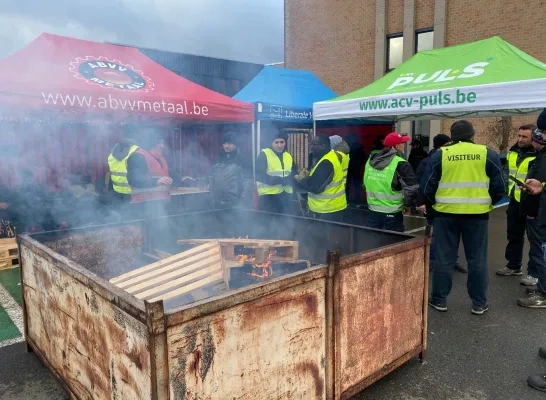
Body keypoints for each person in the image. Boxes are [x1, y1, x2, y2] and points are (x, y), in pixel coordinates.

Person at [423, 120, 505, 315]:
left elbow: (427, 188)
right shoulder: (488, 154)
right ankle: (479, 303)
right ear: (472, 135)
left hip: (445, 214)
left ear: (452, 136)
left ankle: (439, 299)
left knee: (444, 258)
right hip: (477, 215)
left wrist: (433, 207)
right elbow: (499, 186)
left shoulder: (440, 155)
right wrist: (488, 202)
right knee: (477, 259)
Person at [415, 134, 469, 273]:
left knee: (454, 233)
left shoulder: (453, 158)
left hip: (452, 205)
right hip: (434, 205)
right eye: (450, 142)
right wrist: (421, 201)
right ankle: (433, 261)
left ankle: (453, 260)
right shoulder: (428, 161)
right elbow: (421, 183)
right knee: (436, 234)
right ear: (444, 144)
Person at [496, 125, 537, 281]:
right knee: (513, 235)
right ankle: (513, 265)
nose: (520, 139)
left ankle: (534, 273)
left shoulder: (539, 155)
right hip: (514, 200)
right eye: (519, 135)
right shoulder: (512, 152)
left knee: (535, 240)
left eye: (524, 137)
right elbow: (506, 171)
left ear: (534, 138)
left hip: (533, 202)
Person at [363, 132, 419, 232]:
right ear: (397, 146)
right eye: (403, 143)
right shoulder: (401, 163)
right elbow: (412, 188)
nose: (404, 146)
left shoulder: (370, 161)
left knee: (372, 241)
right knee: (392, 244)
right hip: (393, 213)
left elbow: (365, 183)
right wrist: (407, 204)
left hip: (373, 210)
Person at [295, 135, 348, 222]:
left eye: (314, 145)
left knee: (324, 235)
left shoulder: (327, 161)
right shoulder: (328, 156)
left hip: (327, 209)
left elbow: (315, 187)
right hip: (332, 206)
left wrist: (301, 179)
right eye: (310, 144)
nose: (311, 147)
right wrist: (310, 176)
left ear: (323, 146)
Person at [127, 129, 174, 219]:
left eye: (163, 143)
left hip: (159, 204)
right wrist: (156, 181)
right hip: (144, 205)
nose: (162, 146)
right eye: (159, 143)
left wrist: (180, 178)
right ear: (150, 143)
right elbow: (133, 179)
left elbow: (164, 173)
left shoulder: (160, 158)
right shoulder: (139, 156)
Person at [255, 130, 297, 214]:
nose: (279, 145)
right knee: (269, 224)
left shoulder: (288, 156)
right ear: (271, 142)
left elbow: (294, 172)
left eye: (282, 142)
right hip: (268, 198)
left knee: (285, 223)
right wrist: (281, 180)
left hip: (286, 196)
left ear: (285, 143)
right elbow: (259, 175)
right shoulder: (264, 154)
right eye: (276, 142)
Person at [209, 131, 248, 209]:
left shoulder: (241, 160)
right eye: (224, 143)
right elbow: (211, 177)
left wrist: (242, 201)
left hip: (234, 202)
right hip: (217, 201)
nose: (226, 146)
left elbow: (247, 182)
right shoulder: (218, 158)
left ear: (235, 144)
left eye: (229, 143)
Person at [107, 126, 140, 206]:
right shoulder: (136, 151)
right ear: (136, 136)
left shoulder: (113, 152)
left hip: (116, 192)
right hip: (132, 194)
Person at [345, 133, 366, 204]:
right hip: (356, 168)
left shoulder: (347, 147)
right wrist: (358, 165)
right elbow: (363, 158)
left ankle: (346, 200)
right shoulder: (360, 147)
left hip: (348, 168)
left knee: (347, 185)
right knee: (357, 185)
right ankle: (358, 201)